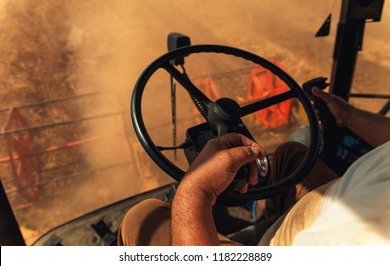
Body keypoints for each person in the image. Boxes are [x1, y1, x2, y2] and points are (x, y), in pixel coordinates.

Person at [117, 87, 390, 245]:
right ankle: (266, 216)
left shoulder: (368, 234)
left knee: (143, 216)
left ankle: (261, 232)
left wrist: (195, 192)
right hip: (343, 197)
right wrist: (348, 116)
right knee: (289, 156)